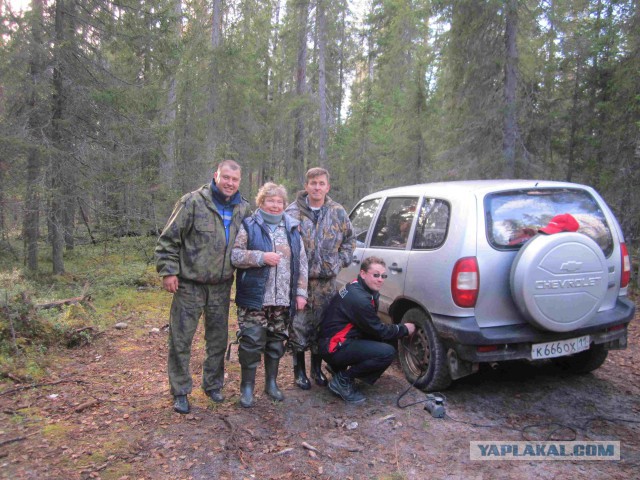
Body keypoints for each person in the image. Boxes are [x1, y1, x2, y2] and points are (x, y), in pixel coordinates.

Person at [155, 160, 250, 414]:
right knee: (181, 339)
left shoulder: (243, 209)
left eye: (235, 179)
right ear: (216, 176)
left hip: (221, 286)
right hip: (189, 284)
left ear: (240, 182)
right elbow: (168, 240)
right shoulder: (193, 202)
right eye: (226, 177)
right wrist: (168, 271)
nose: (230, 183)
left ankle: (213, 385)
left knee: (218, 340)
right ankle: (180, 391)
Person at [231, 183, 308, 408]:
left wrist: (301, 293)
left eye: (279, 202)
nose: (275, 205)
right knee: (251, 342)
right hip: (255, 298)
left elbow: (302, 263)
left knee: (276, 343)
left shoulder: (293, 228)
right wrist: (261, 257)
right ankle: (247, 388)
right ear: (261, 202)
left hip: (283, 299)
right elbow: (235, 256)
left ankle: (271, 384)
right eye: (270, 201)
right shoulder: (249, 225)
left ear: (284, 205)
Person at [285, 167, 356, 390]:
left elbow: (350, 240)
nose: (317, 187)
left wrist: (339, 261)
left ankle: (316, 370)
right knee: (298, 326)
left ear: (328, 186)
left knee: (322, 326)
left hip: (326, 282)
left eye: (321, 183)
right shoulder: (291, 212)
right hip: (300, 282)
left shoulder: (338, 212)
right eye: (313, 183)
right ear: (306, 186)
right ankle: (299, 372)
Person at [318, 256, 415, 404]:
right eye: (376, 275)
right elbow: (379, 330)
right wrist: (403, 329)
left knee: (377, 340)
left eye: (383, 276)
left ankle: (337, 367)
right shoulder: (359, 299)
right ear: (363, 274)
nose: (380, 279)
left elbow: (370, 327)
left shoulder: (356, 285)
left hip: (332, 341)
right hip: (334, 347)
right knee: (387, 352)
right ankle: (343, 380)